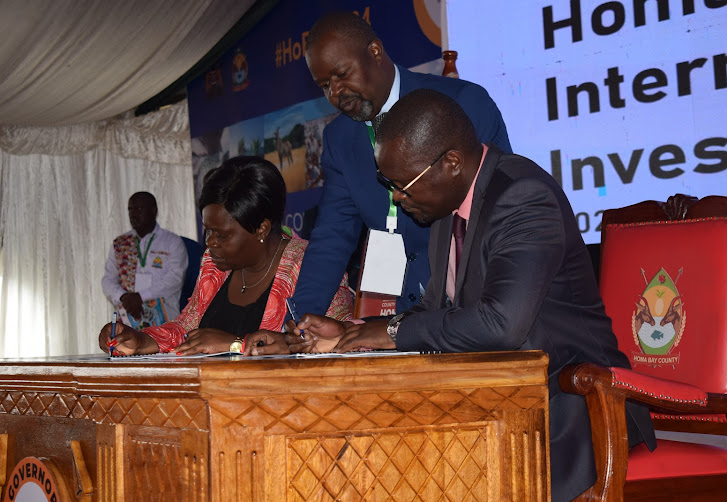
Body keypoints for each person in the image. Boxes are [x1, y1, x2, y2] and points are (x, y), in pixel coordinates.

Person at [281, 90, 656, 501]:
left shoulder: (522, 195)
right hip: (501, 401)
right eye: (390, 185)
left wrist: (391, 333)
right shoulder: (448, 203)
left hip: (572, 409)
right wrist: (354, 332)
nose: (396, 198)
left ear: (451, 164)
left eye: (402, 185)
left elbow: (501, 325)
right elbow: (433, 312)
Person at [290, 11, 513, 319]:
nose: (336, 93)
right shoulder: (340, 139)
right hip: (397, 315)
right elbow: (333, 235)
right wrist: (299, 323)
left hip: (475, 312)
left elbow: (501, 216)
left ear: (375, 51)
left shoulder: (463, 104)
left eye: (342, 74)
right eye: (325, 85)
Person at [99, 157, 352, 356]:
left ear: (261, 229)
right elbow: (186, 326)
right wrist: (140, 340)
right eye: (208, 231)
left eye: (222, 235)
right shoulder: (214, 264)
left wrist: (234, 345)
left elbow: (341, 345)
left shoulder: (314, 265)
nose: (210, 242)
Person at [102, 191, 188, 323]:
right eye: (130, 209)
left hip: (164, 321)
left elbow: (175, 279)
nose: (133, 214)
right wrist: (124, 297)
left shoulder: (172, 242)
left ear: (154, 210)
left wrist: (141, 297)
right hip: (129, 320)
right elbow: (108, 280)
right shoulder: (121, 243)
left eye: (139, 208)